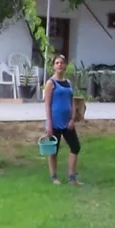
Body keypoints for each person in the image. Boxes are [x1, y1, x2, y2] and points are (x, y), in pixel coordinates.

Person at [42, 53, 81, 186]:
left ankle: (72, 177)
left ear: (65, 66)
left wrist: (72, 119)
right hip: (55, 122)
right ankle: (54, 177)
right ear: (53, 66)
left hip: (67, 122)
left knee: (75, 147)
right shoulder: (50, 83)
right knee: (53, 150)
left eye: (62, 63)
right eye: (57, 63)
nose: (60, 65)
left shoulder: (68, 83)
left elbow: (72, 101)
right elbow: (47, 103)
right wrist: (49, 124)